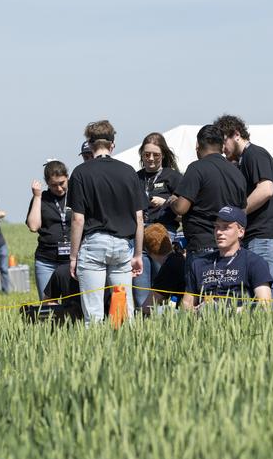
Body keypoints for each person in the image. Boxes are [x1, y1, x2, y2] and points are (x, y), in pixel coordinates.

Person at [67, 120, 145, 325]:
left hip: (94, 244)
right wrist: (137, 254)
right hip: (122, 245)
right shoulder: (129, 172)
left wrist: (73, 256)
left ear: (90, 145)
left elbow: (77, 219)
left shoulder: (81, 173)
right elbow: (139, 218)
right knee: (124, 311)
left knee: (93, 314)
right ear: (113, 144)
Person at [215, 114, 273, 298]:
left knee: (262, 295)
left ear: (235, 134)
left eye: (223, 142)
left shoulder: (254, 154)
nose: (222, 148)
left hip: (266, 236)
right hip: (259, 236)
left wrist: (239, 214)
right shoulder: (243, 160)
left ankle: (271, 327)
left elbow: (266, 189)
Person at [170, 124, 248, 258]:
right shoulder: (237, 173)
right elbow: (242, 211)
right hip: (230, 248)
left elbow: (181, 208)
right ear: (222, 146)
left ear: (198, 146)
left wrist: (172, 201)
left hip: (202, 246)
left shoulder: (196, 168)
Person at [181, 207, 273, 310]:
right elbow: (186, 303)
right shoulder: (199, 263)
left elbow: (265, 304)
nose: (219, 232)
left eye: (226, 227)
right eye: (216, 227)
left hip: (239, 320)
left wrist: (230, 311)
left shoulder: (254, 262)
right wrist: (198, 311)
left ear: (241, 232)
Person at [133, 132, 183, 300]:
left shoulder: (173, 176)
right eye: (147, 155)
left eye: (156, 155)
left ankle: (163, 322)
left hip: (163, 232)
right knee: (140, 288)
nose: (151, 159)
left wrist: (166, 202)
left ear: (163, 155)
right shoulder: (135, 177)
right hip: (140, 234)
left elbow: (184, 205)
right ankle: (144, 320)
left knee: (162, 285)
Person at [26, 160, 71, 298]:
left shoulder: (76, 195)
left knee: (72, 302)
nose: (58, 188)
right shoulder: (42, 198)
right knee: (48, 304)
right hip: (46, 261)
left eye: (62, 183)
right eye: (53, 185)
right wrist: (37, 196)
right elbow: (33, 226)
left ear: (67, 178)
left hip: (71, 260)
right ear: (47, 183)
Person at [141, 223, 187, 309]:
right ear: (169, 239)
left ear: (148, 251)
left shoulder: (169, 268)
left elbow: (147, 306)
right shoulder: (179, 258)